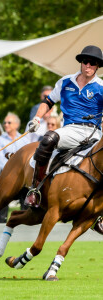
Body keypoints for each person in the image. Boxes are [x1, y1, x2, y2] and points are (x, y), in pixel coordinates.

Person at [25, 45, 103, 209]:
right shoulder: (65, 82)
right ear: (81, 63)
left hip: (93, 133)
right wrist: (37, 119)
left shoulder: (101, 87)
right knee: (48, 139)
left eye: (93, 63)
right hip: (70, 130)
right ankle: (36, 189)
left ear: (97, 66)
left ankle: (99, 213)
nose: (89, 66)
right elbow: (48, 102)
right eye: (86, 62)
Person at [0, 113, 28, 223]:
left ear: (16, 125)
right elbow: (1, 161)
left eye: (9, 122)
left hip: (22, 175)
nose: (6, 124)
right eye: (5, 122)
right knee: (3, 200)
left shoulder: (24, 139)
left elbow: (26, 158)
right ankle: (1, 225)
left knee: (26, 198)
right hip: (6, 175)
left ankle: (24, 223)